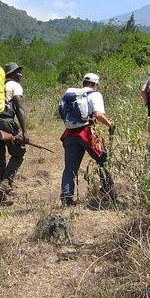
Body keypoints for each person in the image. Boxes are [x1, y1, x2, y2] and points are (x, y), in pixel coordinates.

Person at [60, 73, 115, 206]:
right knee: (103, 161)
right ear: (95, 84)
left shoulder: (72, 94)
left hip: (70, 133)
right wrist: (110, 124)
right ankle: (109, 192)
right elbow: (98, 115)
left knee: (70, 167)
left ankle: (67, 198)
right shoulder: (94, 94)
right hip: (88, 132)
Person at [0, 62, 30, 200]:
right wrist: (24, 132)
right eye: (18, 72)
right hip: (5, 121)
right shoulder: (15, 86)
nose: (21, 74)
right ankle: (5, 183)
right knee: (19, 152)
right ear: (11, 74)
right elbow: (19, 108)